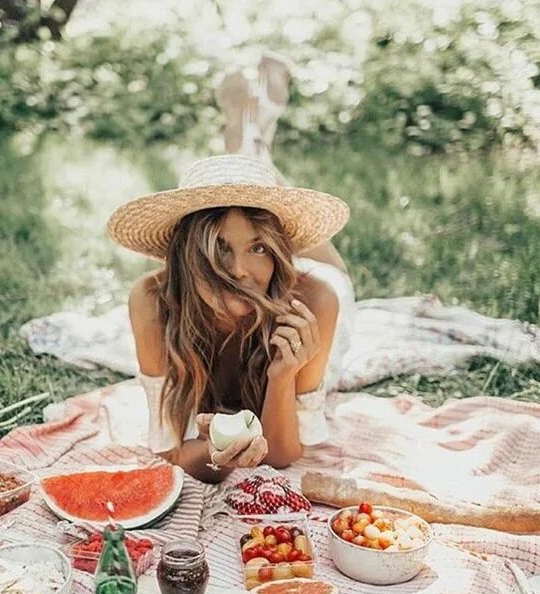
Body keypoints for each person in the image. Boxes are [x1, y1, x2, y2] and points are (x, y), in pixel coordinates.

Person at [106, 57, 356, 484]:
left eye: (258, 248)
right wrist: (220, 454)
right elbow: (171, 450)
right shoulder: (150, 301)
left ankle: (251, 145)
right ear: (185, 255)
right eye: (217, 249)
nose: (238, 270)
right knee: (251, 199)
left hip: (318, 284)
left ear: (278, 253)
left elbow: (282, 455)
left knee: (340, 274)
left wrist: (283, 375)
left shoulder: (315, 301)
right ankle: (248, 141)